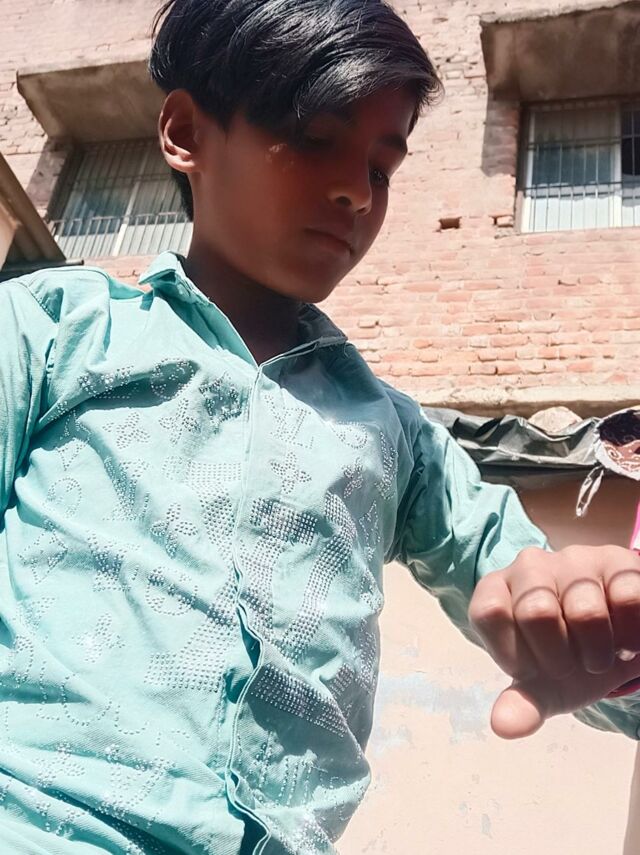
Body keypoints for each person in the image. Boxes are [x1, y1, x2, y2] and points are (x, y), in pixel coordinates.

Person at [1, 0, 640, 852]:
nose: (357, 193)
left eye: (382, 167)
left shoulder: (401, 436)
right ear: (186, 134)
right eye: (313, 138)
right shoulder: (51, 328)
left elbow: (522, 580)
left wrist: (601, 632)